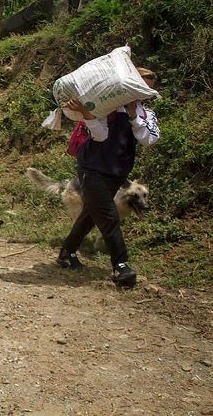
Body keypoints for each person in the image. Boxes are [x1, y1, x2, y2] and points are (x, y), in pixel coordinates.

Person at [58, 67, 160, 288]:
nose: (143, 92)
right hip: (92, 168)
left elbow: (149, 139)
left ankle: (66, 252)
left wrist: (134, 116)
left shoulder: (145, 114)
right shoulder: (108, 104)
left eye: (147, 89)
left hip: (117, 173)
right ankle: (121, 266)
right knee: (109, 215)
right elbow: (100, 135)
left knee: (91, 215)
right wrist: (87, 114)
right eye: (141, 86)